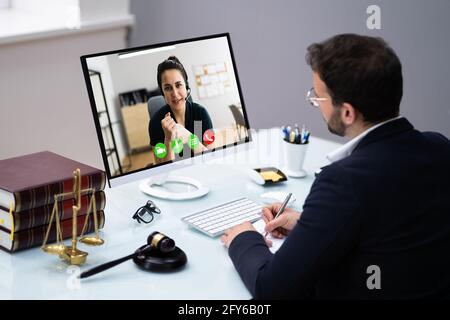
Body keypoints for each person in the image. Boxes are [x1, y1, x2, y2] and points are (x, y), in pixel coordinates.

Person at [220, 34, 450, 299]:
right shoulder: (440, 147)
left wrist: (244, 238)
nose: (314, 103)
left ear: (348, 112)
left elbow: (271, 289)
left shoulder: (343, 181)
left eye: (318, 97)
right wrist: (313, 226)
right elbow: (391, 228)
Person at [149, 56, 213, 162]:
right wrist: (168, 140)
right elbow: (162, 169)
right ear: (162, 92)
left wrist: (189, 137)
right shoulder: (155, 124)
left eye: (178, 85)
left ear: (186, 86)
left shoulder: (201, 114)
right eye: (168, 88)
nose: (174, 94)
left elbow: (211, 158)